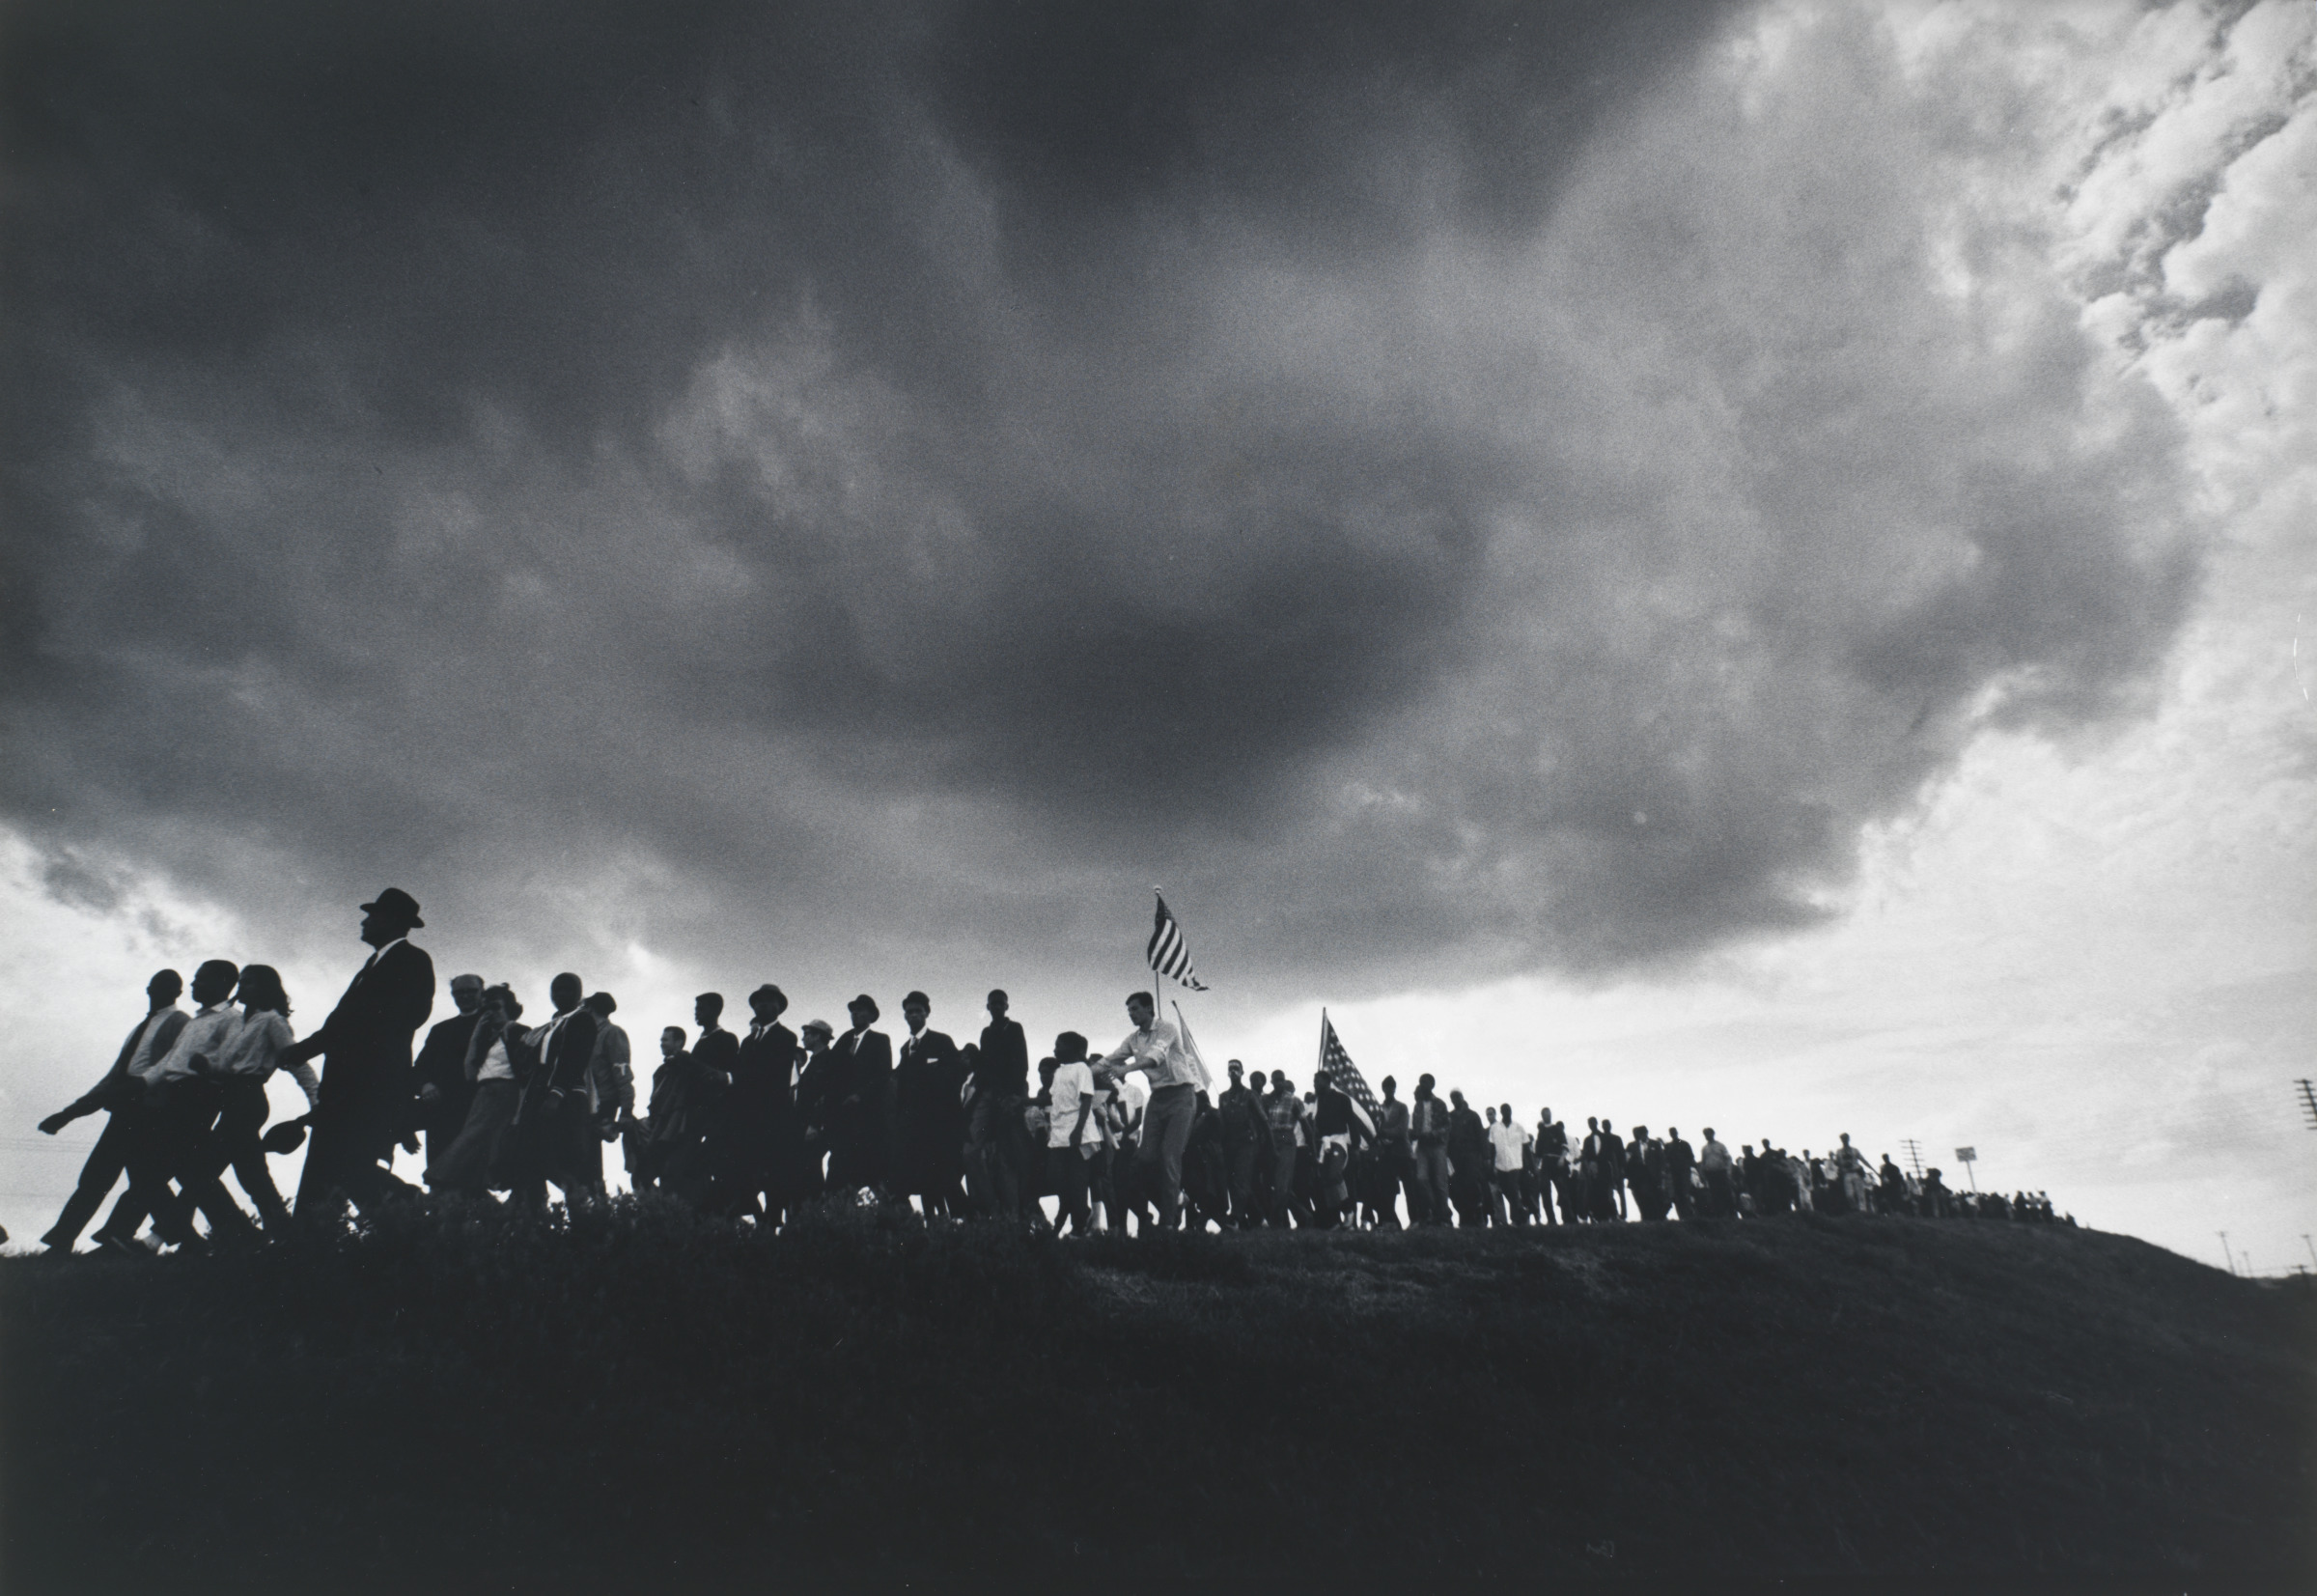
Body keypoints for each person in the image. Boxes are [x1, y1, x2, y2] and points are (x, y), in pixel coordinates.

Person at [281, 888, 435, 1229]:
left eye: (373, 915)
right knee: (327, 1169)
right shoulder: (372, 966)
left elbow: (407, 1015)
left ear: (392, 921)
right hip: (345, 1086)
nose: (365, 921)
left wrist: (305, 1050)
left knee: (348, 1166)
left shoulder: (414, 960)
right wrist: (301, 1051)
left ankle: (413, 1210)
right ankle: (307, 1247)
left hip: (370, 1086)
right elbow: (342, 1025)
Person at [37, 969, 190, 1253]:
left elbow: (173, 1070)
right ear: (147, 989)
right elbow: (114, 1078)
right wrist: (69, 1113)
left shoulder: (180, 1023)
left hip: (151, 1114)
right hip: (126, 1112)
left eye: (168, 987)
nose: (159, 991)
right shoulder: (142, 1028)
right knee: (107, 1181)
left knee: (140, 1183)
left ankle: (185, 1239)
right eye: (156, 986)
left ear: (178, 993)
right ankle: (62, 1240)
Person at [131, 959, 261, 1246]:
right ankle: (241, 1235)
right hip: (175, 1094)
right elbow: (169, 1061)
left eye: (201, 979)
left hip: (199, 1094)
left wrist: (207, 1070)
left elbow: (228, 1061)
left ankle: (187, 1236)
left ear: (224, 983)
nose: (193, 984)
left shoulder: (231, 1019)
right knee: (189, 1172)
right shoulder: (196, 1021)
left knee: (166, 1167)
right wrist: (143, 1081)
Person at [185, 964, 319, 1236]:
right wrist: (207, 1067)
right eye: (241, 982)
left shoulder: (272, 1021)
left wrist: (318, 1101)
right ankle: (283, 1234)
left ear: (264, 989)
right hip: (231, 1099)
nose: (241, 987)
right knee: (252, 1176)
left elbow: (297, 1063)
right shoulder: (238, 1022)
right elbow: (227, 1066)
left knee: (202, 1169)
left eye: (248, 983)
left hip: (248, 1100)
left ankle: (159, 1236)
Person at [1094, 991, 1201, 1230]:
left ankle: (1167, 1225)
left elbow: (1156, 1056)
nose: (1131, 1013)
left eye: (1135, 1008)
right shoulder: (1133, 1040)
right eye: (1129, 1010)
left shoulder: (1167, 1029)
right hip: (1158, 1098)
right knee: (1143, 1159)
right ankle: (1177, 1200)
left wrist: (1127, 1069)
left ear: (1149, 1009)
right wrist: (1082, 1071)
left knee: (1169, 1157)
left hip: (1181, 1096)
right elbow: (1110, 1059)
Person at [507, 973, 600, 1210]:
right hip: (539, 1096)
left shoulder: (582, 1020)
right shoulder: (551, 1024)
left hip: (565, 1097)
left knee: (561, 1160)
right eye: (556, 990)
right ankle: (535, 1216)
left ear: (579, 993)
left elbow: (574, 1059)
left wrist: (556, 1094)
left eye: (567, 990)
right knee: (531, 1158)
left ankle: (582, 1215)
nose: (560, 995)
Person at [430, 985, 527, 1197]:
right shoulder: (487, 1039)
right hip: (483, 1097)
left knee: (469, 1150)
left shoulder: (519, 1032)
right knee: (471, 1157)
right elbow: (470, 1073)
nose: (491, 1013)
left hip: (504, 1095)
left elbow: (526, 1076)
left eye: (496, 1007)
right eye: (486, 1009)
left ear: (508, 1008)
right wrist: (476, 1036)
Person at [724, 985, 798, 1220]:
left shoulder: (787, 1037)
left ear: (779, 1007)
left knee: (772, 1180)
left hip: (771, 1121)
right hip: (745, 1122)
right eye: (758, 1002)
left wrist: (736, 1079)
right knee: (744, 1179)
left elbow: (772, 1076)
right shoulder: (747, 1042)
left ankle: (769, 1229)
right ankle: (760, 1225)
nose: (762, 1005)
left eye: (768, 1001)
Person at [893, 991, 967, 1218]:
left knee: (946, 1177)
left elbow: (956, 1074)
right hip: (914, 1126)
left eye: (918, 1011)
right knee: (926, 1179)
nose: (913, 1015)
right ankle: (936, 1227)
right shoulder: (905, 1048)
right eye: (909, 1012)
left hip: (940, 1125)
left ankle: (969, 1221)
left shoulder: (942, 1041)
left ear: (927, 1013)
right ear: (905, 1016)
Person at [410, 974, 487, 1186]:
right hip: (441, 1116)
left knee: (475, 1181)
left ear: (482, 993)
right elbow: (419, 1068)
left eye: (471, 991)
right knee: (441, 1182)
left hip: (477, 1114)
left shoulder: (493, 1026)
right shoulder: (440, 1030)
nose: (465, 996)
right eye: (459, 992)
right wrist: (425, 1085)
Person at [967, 990, 1031, 1222]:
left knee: (1010, 1154)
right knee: (971, 1150)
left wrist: (1011, 1096)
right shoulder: (986, 1032)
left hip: (1011, 1092)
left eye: (999, 1003)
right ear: (987, 1007)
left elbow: (1021, 1063)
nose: (995, 1006)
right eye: (992, 1003)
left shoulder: (1014, 1028)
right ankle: (991, 1207)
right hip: (990, 1092)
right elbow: (985, 1064)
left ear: (1006, 1006)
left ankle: (1015, 1214)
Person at [827, 995, 892, 1194]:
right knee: (838, 1174)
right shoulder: (844, 1039)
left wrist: (861, 1095)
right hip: (843, 1120)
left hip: (868, 1118)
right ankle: (837, 1219)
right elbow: (832, 1072)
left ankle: (898, 1220)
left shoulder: (880, 1040)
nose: (855, 1013)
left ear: (871, 1016)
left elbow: (883, 1074)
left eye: (861, 1010)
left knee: (875, 1174)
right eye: (853, 1010)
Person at [1046, 1031, 1106, 1237]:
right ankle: (1083, 1214)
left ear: (1074, 1049)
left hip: (1078, 1135)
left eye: (1059, 1045)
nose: (1055, 1049)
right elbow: (1051, 1100)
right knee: (1058, 1181)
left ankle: (1078, 1227)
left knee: (1078, 1182)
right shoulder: (1059, 1072)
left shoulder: (1082, 1069)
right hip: (1058, 1135)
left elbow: (1087, 1100)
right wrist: (1023, 1101)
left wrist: (1078, 1130)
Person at [582, 993, 636, 1194]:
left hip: (603, 1103)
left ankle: (598, 1205)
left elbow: (622, 1072)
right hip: (587, 1102)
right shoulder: (589, 1034)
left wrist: (626, 1110)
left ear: (590, 1009)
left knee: (590, 1158)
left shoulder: (612, 1033)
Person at [791, 1020, 839, 1196]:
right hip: (803, 1127)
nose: (803, 1038)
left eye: (807, 1034)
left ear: (818, 1036)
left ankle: (815, 1216)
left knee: (811, 1174)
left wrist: (816, 1124)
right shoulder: (813, 1062)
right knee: (804, 1174)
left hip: (815, 1128)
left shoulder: (829, 1060)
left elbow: (829, 1094)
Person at [1215, 1061, 1266, 1230]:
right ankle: (1257, 1218)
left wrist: (1268, 1147)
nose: (1233, 1071)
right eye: (1230, 1069)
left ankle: (1235, 1219)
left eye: (1236, 1068)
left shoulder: (1250, 1095)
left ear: (1242, 1072)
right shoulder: (1223, 1097)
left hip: (1247, 1143)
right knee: (1232, 1182)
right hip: (1229, 1144)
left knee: (1241, 1180)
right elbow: (1221, 1124)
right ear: (1227, 1073)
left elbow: (1263, 1121)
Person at [1368, 1076, 1411, 1230]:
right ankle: (1389, 1220)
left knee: (1409, 1187)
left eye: (1391, 1087)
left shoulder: (1402, 1107)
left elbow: (1401, 1130)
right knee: (1386, 1187)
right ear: (1383, 1089)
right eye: (1386, 1087)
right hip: (1386, 1153)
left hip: (1402, 1152)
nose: (1389, 1090)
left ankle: (1415, 1220)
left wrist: (1382, 1132)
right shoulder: (1378, 1108)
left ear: (1395, 1088)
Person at [1408, 1075, 1450, 1226]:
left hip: (1437, 1146)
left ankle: (1444, 1218)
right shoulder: (1417, 1106)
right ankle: (1436, 1212)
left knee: (1440, 1183)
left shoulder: (1440, 1104)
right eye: (1420, 1083)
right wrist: (1413, 1134)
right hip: (1422, 1147)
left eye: (1425, 1083)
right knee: (1421, 1179)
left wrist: (1433, 1133)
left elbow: (1446, 1126)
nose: (1422, 1085)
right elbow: (1415, 1126)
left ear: (1432, 1084)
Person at [1446, 1091, 1490, 1227]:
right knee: (1456, 1187)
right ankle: (1464, 1217)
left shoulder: (1473, 1115)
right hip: (1455, 1157)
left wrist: (1486, 1157)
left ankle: (1478, 1216)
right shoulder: (1450, 1117)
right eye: (1452, 1098)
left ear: (1462, 1098)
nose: (1455, 1100)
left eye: (1457, 1097)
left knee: (1472, 1185)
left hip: (1471, 1156)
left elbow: (1481, 1137)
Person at [1489, 1103, 1529, 1226]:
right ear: (1501, 1112)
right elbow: (1491, 1148)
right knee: (1507, 1191)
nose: (1507, 1112)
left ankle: (1515, 1219)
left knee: (1513, 1189)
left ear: (1511, 1111)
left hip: (1515, 1164)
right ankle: (1522, 1212)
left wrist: (1531, 1166)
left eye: (1508, 1110)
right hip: (1500, 1165)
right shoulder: (1495, 1128)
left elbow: (1526, 1147)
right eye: (1504, 1110)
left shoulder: (1518, 1127)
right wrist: (1491, 1167)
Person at [1534, 1110, 1567, 1226]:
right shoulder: (1541, 1131)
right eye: (1544, 1114)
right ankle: (1551, 1219)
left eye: (1548, 1113)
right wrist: (1537, 1166)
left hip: (1557, 1161)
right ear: (1542, 1116)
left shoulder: (1558, 1129)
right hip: (1545, 1162)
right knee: (1545, 1190)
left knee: (1562, 1190)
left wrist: (1562, 1158)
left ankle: (1568, 1218)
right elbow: (1538, 1152)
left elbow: (1564, 1146)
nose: (1546, 1116)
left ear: (1551, 1115)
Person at [1698, 1129, 1735, 1218]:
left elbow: (1728, 1159)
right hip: (1710, 1173)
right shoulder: (1704, 1148)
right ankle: (1720, 1215)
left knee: (1726, 1193)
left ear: (1713, 1134)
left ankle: (1731, 1214)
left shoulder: (1720, 1146)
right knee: (1715, 1194)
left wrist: (1728, 1171)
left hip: (1721, 1172)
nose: (1707, 1136)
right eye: (1705, 1134)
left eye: (1708, 1134)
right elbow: (1703, 1162)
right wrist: (1702, 1173)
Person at [1663, 1127, 1697, 1221]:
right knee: (1677, 1196)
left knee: (1685, 1194)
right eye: (1671, 1132)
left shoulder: (1683, 1144)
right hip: (1674, 1174)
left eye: (1674, 1132)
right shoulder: (1668, 1146)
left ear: (1677, 1133)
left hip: (1683, 1172)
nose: (1673, 1134)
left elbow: (1691, 1158)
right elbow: (1665, 1159)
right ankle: (1682, 1216)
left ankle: (1689, 1215)